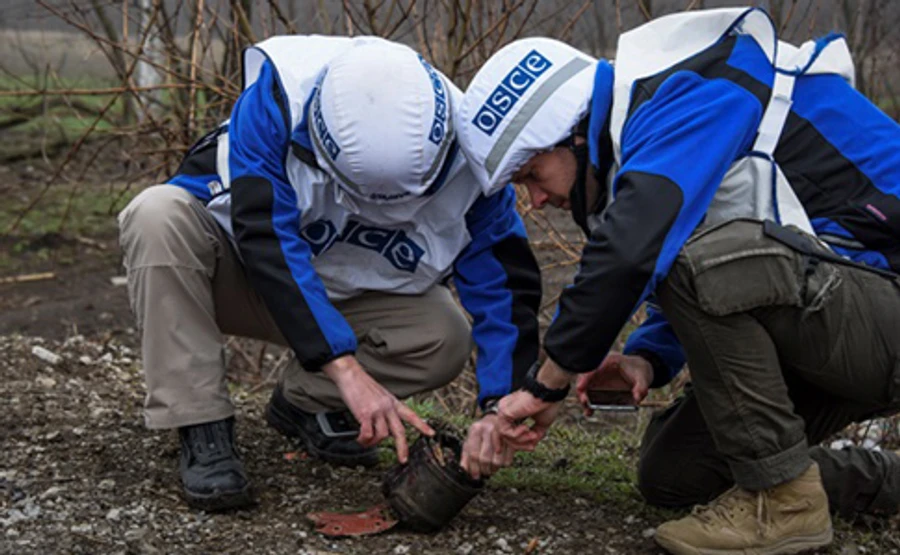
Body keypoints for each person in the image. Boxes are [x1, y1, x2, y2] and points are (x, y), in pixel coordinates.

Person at [454, 7, 900, 555]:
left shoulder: (697, 90)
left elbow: (639, 253)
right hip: (842, 314)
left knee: (693, 261)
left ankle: (785, 502)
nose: (537, 199)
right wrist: (647, 358)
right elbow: (724, 253)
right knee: (674, 473)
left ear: (573, 134)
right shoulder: (659, 124)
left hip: (883, 306)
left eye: (531, 175)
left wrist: (547, 383)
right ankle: (875, 483)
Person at [117, 35, 541, 511]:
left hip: (352, 296)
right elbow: (266, 240)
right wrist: (344, 368)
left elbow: (503, 287)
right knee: (156, 215)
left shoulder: (474, 151)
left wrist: (502, 404)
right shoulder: (277, 104)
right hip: (243, 275)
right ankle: (201, 424)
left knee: (443, 336)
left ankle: (304, 403)